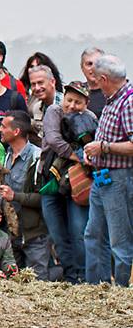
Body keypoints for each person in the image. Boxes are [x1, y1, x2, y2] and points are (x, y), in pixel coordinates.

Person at [82, 54, 133, 287]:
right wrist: (92, 151)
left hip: (118, 179)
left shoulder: (128, 102)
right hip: (102, 177)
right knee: (93, 233)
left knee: (119, 240)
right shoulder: (112, 98)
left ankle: (121, 290)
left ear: (104, 78)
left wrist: (103, 147)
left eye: (96, 79)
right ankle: (96, 286)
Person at [40, 81, 93, 283]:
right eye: (69, 100)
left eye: (78, 102)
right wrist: (77, 155)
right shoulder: (54, 111)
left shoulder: (91, 119)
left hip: (77, 182)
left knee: (78, 231)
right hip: (50, 179)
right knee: (57, 233)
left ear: (86, 103)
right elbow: (53, 139)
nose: (71, 106)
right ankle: (70, 275)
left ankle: (82, 275)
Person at [0, 110, 49, 280]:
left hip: (34, 235)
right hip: (12, 233)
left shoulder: (37, 157)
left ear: (16, 131)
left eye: (3, 126)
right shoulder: (5, 157)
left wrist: (15, 196)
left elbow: (44, 198)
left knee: (38, 282)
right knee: (14, 283)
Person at [27, 64, 62, 143]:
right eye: (33, 84)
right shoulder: (36, 108)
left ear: (52, 82)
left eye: (40, 83)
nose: (37, 88)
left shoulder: (65, 105)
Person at [80, 47, 107, 118]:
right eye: (89, 64)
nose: (93, 68)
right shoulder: (77, 91)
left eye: (98, 64)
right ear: (82, 68)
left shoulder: (111, 92)